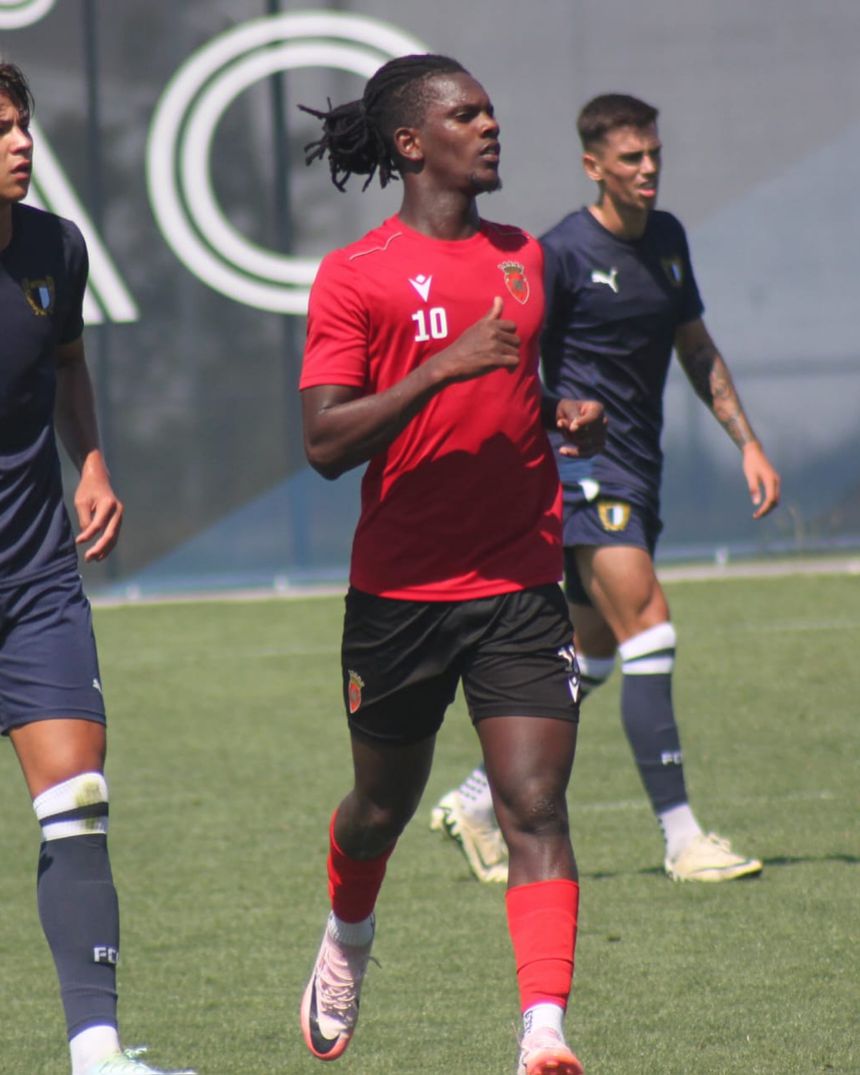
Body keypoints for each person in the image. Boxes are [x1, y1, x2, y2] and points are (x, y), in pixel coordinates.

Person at [297, 53, 607, 1075]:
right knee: (378, 809)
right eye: (465, 114)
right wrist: (440, 368)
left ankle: (542, 1031)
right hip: (400, 594)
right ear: (410, 142)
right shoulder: (356, 274)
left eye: (489, 112)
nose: (488, 126)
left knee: (534, 804)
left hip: (520, 582)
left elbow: (518, 382)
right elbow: (325, 442)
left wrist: (560, 411)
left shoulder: (526, 257)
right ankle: (347, 934)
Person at [433, 92, 781, 886]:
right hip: (582, 471)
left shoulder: (667, 239)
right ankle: (682, 838)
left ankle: (475, 799)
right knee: (649, 626)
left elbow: (697, 348)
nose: (648, 168)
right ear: (594, 165)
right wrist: (545, 426)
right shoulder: (558, 252)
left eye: (654, 153)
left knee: (588, 656)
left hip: (638, 468)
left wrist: (750, 443)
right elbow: (508, 359)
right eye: (631, 158)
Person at [0, 63, 195, 1075]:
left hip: (34, 577)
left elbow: (68, 362)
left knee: (76, 797)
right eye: (0, 129)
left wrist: (94, 464)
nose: (21, 143)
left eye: (22, 124)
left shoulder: (56, 248)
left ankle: (98, 1055)